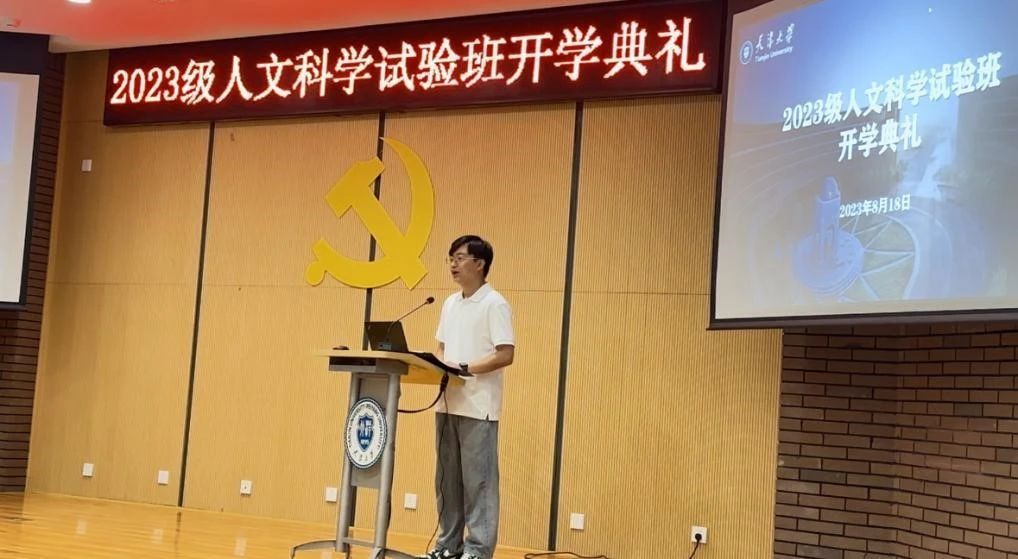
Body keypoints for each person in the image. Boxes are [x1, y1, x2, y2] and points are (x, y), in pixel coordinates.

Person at [422, 235, 515, 559]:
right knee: (447, 482)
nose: (453, 264)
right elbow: (441, 348)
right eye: (450, 258)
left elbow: (505, 354)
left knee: (479, 484)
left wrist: (465, 368)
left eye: (460, 258)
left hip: (479, 408)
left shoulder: (495, 304)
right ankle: (448, 547)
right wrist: (437, 366)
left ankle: (477, 551)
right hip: (448, 403)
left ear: (480, 264)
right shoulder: (450, 303)